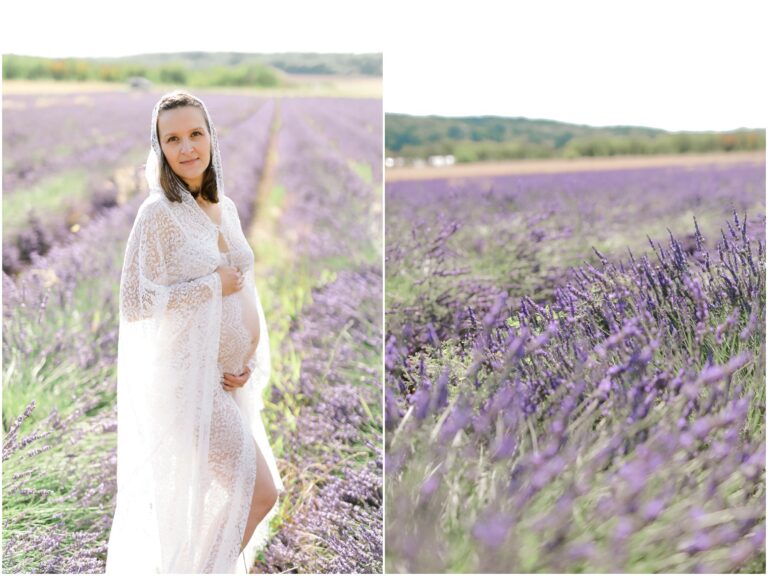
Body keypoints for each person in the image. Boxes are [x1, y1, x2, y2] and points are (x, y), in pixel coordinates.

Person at [105, 91, 282, 573]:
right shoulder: (158, 213)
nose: (187, 148)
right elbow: (135, 302)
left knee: (215, 504)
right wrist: (209, 285)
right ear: (159, 148)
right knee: (259, 492)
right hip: (185, 384)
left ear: (211, 137)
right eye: (173, 139)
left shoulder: (225, 207)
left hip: (221, 382)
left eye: (195, 134)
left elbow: (243, 286)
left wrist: (242, 360)